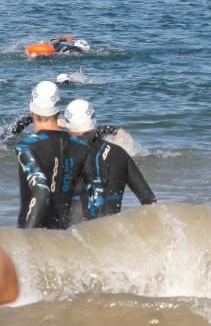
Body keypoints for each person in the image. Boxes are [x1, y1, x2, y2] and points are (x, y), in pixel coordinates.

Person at [15, 81, 95, 229]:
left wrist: (26, 237)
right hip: (63, 238)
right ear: (58, 112)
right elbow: (95, 194)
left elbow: (41, 190)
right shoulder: (81, 146)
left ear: (32, 111)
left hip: (36, 237)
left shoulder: (26, 146)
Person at [61, 99, 157, 219]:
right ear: (94, 120)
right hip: (111, 233)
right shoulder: (119, 153)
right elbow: (149, 201)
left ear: (67, 124)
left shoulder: (63, 154)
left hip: (76, 235)